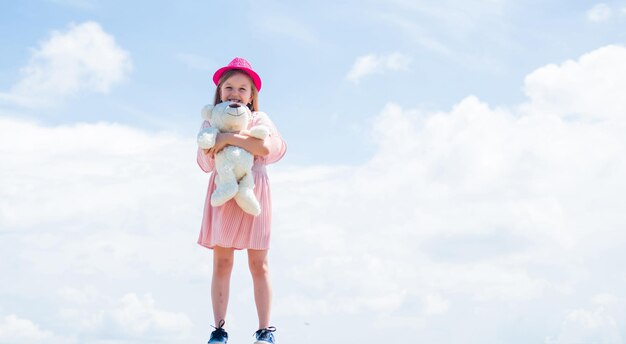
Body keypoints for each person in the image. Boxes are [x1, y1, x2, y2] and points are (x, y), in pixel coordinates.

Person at [196, 57, 286, 344]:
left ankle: (264, 331)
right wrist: (220, 137)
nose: (235, 92)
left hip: (253, 189)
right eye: (229, 87)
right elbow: (206, 159)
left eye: (242, 88)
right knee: (222, 262)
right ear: (220, 92)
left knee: (259, 264)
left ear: (251, 96)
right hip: (224, 190)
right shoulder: (211, 120)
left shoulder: (260, 119)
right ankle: (219, 330)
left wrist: (227, 138)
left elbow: (264, 146)